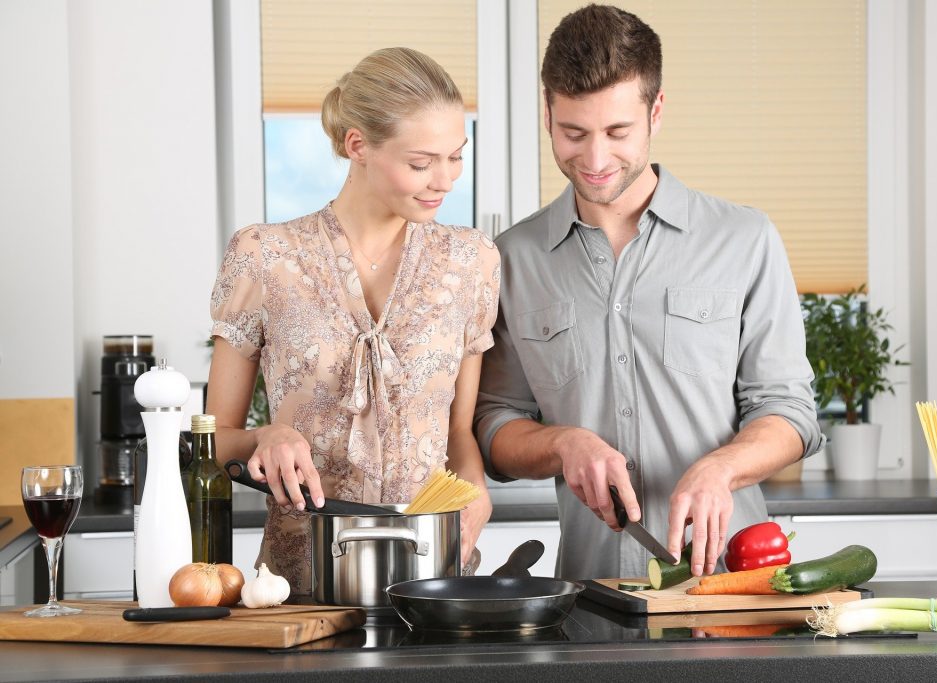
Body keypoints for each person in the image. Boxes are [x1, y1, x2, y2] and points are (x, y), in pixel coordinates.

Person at [474, 4, 823, 582]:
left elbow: (789, 411)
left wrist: (723, 468)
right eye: (573, 133)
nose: (594, 159)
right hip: (590, 600)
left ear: (656, 111)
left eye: (617, 132)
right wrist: (563, 443)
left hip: (734, 591)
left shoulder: (744, 238)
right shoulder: (513, 258)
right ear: (547, 114)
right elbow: (495, 423)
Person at [206, 47, 499, 594]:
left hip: (432, 576)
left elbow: (459, 431)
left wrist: (475, 488)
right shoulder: (265, 256)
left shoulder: (472, 261)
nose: (445, 180)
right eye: (420, 162)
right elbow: (210, 444)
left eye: (456, 156)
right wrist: (266, 436)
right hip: (299, 584)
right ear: (357, 145)